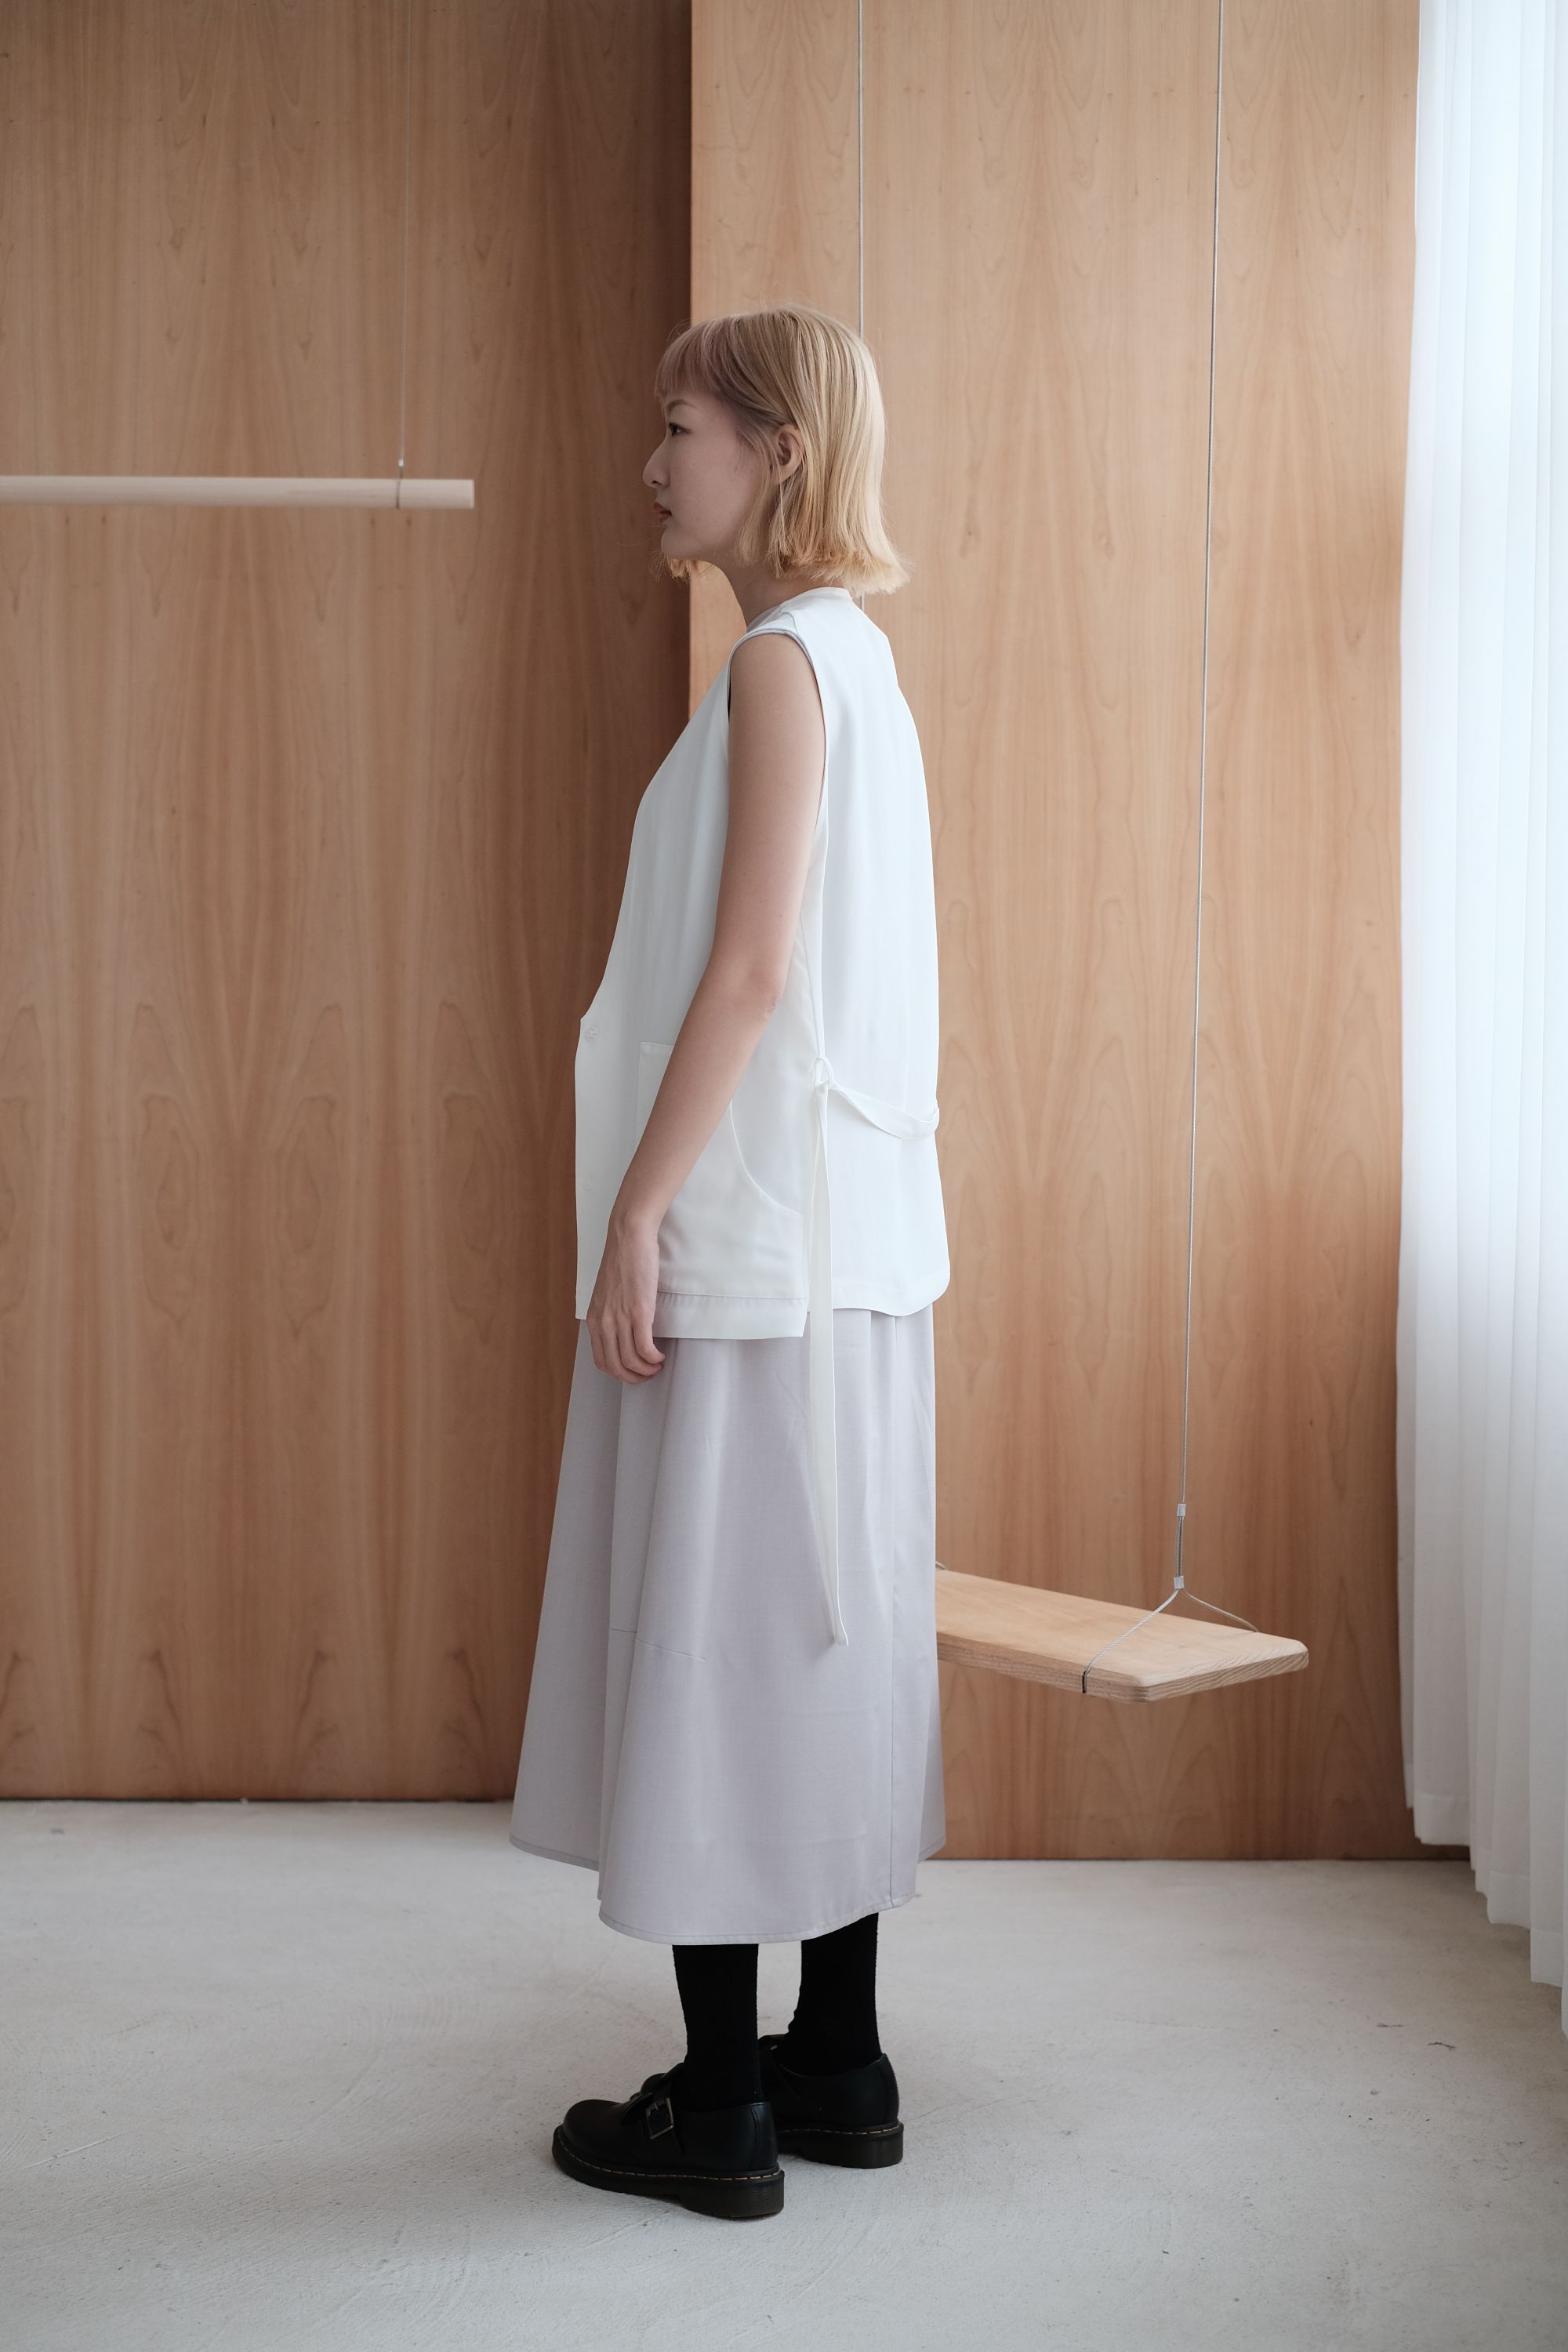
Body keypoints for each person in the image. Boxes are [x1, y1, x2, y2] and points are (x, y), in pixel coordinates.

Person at [510, 302, 950, 2223]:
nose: (651, 464)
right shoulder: (858, 666)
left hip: (757, 1251)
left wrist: (637, 1210)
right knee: (821, 1653)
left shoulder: (779, 669)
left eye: (677, 425)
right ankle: (836, 2060)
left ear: (774, 448)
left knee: (709, 1657)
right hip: (855, 1256)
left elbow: (752, 970)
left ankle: (719, 2110)